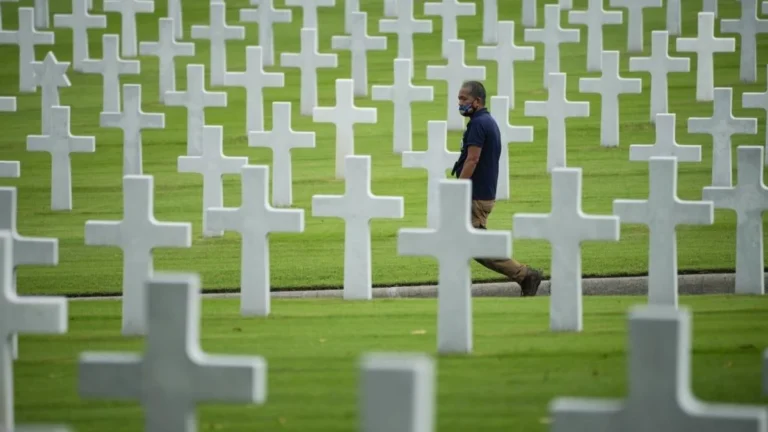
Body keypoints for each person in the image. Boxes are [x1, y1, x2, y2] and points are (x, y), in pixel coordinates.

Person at [450, 80, 543, 297]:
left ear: (478, 101)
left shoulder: (477, 125)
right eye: (459, 99)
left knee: (475, 244)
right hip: (481, 194)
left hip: (475, 196)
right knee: (467, 242)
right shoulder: (487, 122)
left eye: (464, 99)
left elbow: (472, 160)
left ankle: (525, 275)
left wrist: (457, 190)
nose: (460, 103)